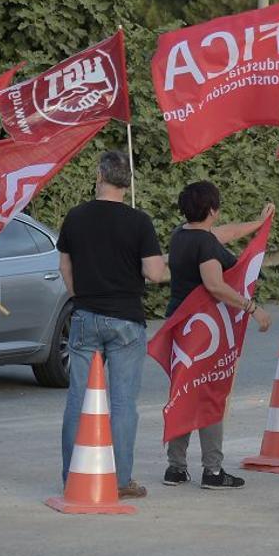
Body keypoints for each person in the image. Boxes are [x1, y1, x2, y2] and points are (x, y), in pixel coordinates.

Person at [57, 150, 168, 500]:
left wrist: (80, 296)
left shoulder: (75, 217)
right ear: (127, 183)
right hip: (126, 320)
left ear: (99, 176)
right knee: (122, 403)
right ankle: (120, 479)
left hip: (85, 315)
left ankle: (72, 475)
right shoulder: (139, 222)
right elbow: (153, 273)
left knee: (78, 398)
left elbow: (64, 266)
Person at [163, 182, 274, 490]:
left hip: (180, 324)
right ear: (212, 210)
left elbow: (227, 233)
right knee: (210, 393)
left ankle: (175, 467)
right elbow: (214, 284)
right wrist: (253, 308)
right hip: (205, 328)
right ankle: (212, 470)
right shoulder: (206, 244)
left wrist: (258, 223)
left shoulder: (181, 236)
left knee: (182, 391)